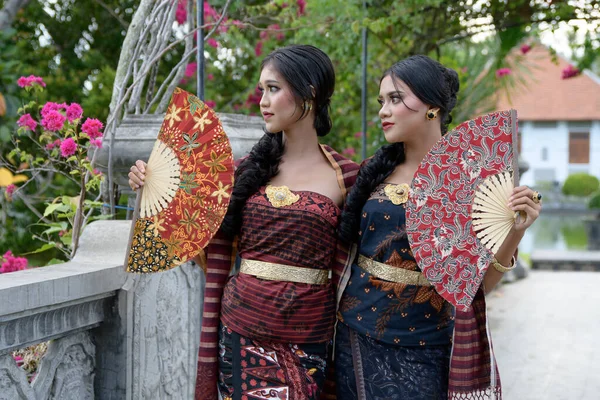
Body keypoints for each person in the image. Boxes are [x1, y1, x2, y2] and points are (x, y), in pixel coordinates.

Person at [129, 44, 359, 400]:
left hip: (309, 337)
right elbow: (196, 236)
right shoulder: (245, 172)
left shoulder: (347, 178)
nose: (262, 101)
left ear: (309, 92)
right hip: (241, 330)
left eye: (273, 88)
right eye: (261, 90)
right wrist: (153, 185)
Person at [334, 55, 542, 399]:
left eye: (395, 99)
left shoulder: (469, 183)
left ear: (432, 107)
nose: (383, 110)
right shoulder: (373, 171)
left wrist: (516, 231)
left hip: (429, 342)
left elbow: (478, 287)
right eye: (381, 101)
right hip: (357, 335)